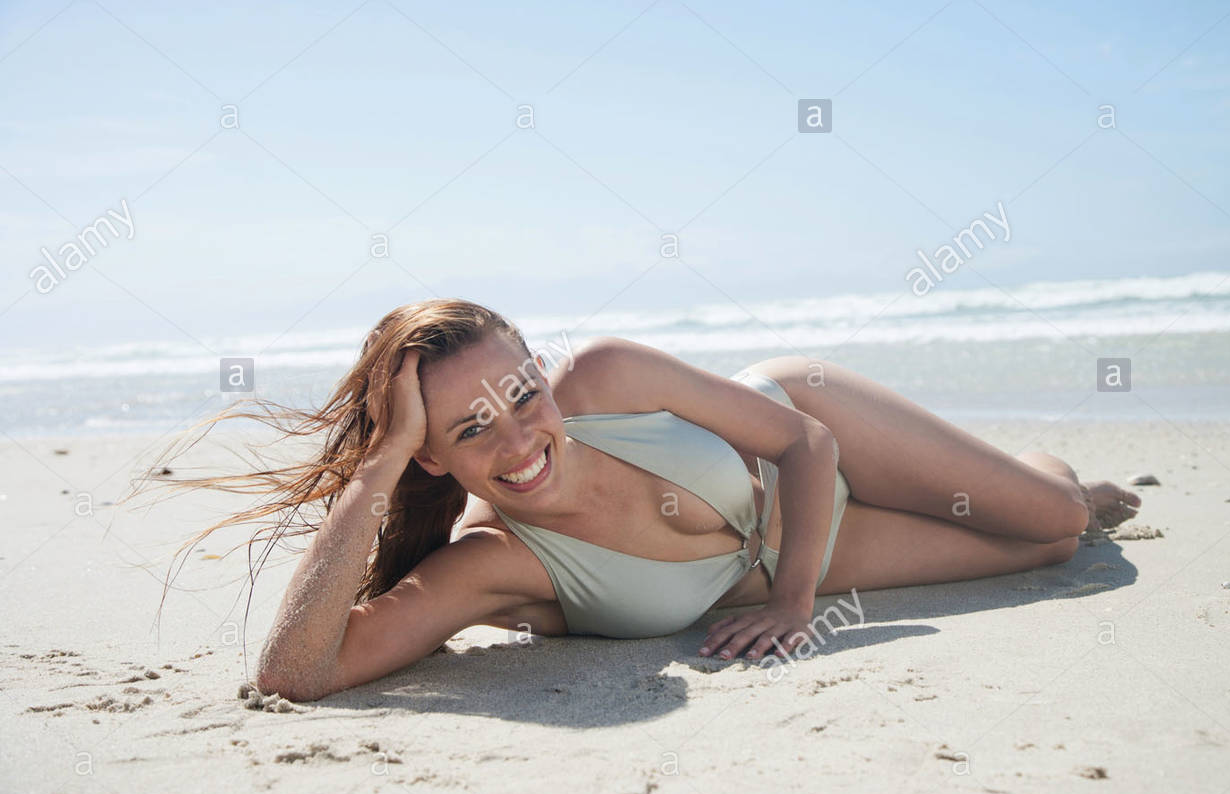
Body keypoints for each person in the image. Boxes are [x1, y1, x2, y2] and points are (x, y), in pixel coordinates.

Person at [154, 299, 1141, 702]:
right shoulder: (497, 563)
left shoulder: (609, 373)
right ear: (432, 459)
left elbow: (803, 440)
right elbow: (295, 671)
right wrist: (382, 461)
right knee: (1048, 556)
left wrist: (794, 602)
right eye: (466, 432)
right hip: (800, 553)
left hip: (799, 436)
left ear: (540, 368)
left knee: (1054, 515)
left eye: (520, 394)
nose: (517, 440)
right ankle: (1047, 502)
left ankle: (1053, 473)